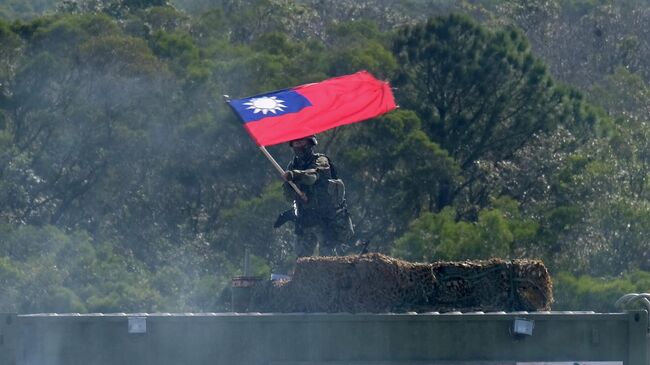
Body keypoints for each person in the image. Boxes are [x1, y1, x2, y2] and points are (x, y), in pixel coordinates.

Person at [276, 135, 354, 257]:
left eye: (301, 142)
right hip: (306, 219)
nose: (299, 146)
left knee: (328, 258)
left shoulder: (321, 160)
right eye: (295, 143)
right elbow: (288, 196)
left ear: (310, 143)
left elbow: (312, 177)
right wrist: (296, 193)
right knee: (302, 260)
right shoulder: (293, 165)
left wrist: (295, 175)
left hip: (325, 219)